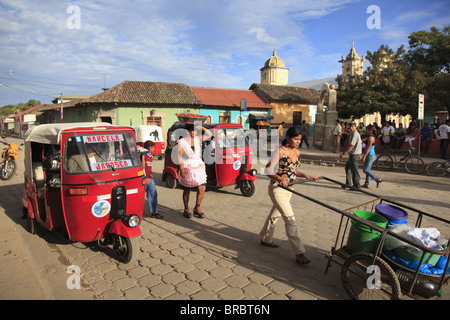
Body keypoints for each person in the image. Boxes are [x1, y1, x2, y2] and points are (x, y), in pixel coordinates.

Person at [259, 127, 319, 265]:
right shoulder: (280, 151)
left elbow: (293, 170)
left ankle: (265, 238)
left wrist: (305, 175)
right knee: (290, 219)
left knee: (275, 215)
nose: (298, 141)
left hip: (290, 188)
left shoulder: (296, 152)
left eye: (300, 139)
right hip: (277, 188)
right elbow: (267, 169)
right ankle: (299, 253)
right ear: (288, 138)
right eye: (295, 139)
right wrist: (279, 178)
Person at [177, 123, 212, 218]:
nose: (194, 132)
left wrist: (201, 127)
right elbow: (179, 156)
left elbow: (209, 134)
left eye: (196, 130)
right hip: (187, 167)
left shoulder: (198, 139)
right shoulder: (181, 142)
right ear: (187, 131)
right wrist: (181, 169)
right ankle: (186, 209)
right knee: (187, 189)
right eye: (193, 130)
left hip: (198, 166)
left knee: (202, 188)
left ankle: (197, 207)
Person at [142, 141, 163, 219]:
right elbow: (142, 166)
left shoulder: (151, 156)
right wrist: (142, 156)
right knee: (140, 196)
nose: (154, 148)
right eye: (153, 147)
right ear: (149, 147)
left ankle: (154, 212)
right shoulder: (143, 155)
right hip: (143, 179)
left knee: (153, 194)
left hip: (150, 178)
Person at [340, 121, 362, 190]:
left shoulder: (355, 134)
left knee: (354, 170)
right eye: (350, 127)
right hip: (354, 154)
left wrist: (344, 153)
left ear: (355, 127)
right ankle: (348, 183)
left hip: (354, 154)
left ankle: (357, 185)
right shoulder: (353, 134)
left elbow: (352, 146)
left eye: (352, 126)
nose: (351, 128)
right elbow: (359, 144)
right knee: (347, 168)